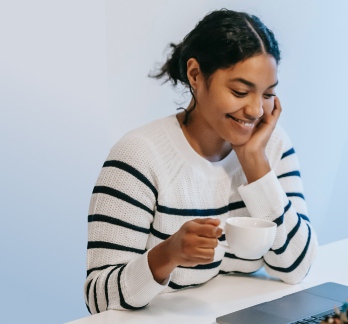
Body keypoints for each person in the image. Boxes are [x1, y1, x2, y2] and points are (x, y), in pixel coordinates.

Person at [84, 9, 318, 314]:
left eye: (268, 94)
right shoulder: (138, 156)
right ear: (195, 75)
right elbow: (98, 298)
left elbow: (297, 267)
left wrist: (253, 162)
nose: (256, 110)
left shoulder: (270, 146)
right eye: (240, 91)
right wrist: (167, 255)